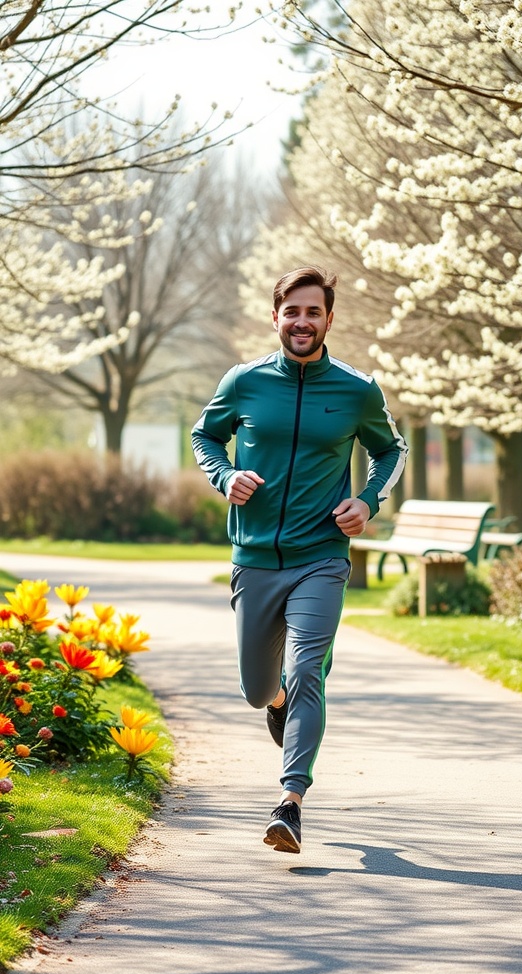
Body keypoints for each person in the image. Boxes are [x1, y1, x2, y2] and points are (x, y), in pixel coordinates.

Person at [191, 266, 408, 854]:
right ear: (276, 317)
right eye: (293, 311)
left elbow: (391, 451)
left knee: (308, 668)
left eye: (314, 312)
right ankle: (276, 702)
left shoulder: (357, 390)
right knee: (258, 687)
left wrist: (367, 501)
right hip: (256, 557)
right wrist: (225, 473)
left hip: (322, 557)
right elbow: (204, 436)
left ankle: (290, 802)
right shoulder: (244, 382)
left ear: (329, 319)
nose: (303, 322)